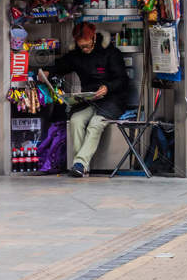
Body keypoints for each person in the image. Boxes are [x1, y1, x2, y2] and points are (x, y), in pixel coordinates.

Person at [41, 22, 132, 176]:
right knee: (76, 120)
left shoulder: (111, 53)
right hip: (89, 100)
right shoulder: (76, 55)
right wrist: (47, 72)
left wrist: (107, 88)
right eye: (81, 46)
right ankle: (82, 167)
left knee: (96, 123)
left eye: (87, 45)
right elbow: (61, 65)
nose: (85, 49)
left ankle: (80, 163)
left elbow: (122, 79)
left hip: (112, 100)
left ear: (94, 38)